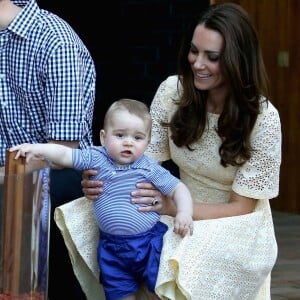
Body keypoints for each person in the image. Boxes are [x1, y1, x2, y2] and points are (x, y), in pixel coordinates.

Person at [81, 3, 282, 300]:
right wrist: (104, 177)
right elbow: (141, 161)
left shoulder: (264, 118)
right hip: (174, 201)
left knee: (168, 274)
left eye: (211, 57)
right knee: (85, 219)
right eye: (193, 51)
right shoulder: (172, 92)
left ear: (237, 60)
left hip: (236, 224)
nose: (197, 63)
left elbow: (242, 207)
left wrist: (173, 207)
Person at [10, 98, 194, 300]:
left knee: (157, 292)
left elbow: (178, 188)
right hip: (112, 247)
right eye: (120, 135)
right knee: (119, 293)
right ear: (103, 137)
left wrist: (184, 212)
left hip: (148, 243)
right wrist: (37, 149)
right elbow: (64, 154)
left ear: (148, 142)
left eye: (138, 138)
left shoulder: (149, 167)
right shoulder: (96, 157)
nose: (128, 142)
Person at [0, 0, 96, 299]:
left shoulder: (54, 41)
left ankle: (21, 293)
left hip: (62, 172)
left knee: (23, 192)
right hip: (10, 171)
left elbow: (64, 147)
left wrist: (6, 174)